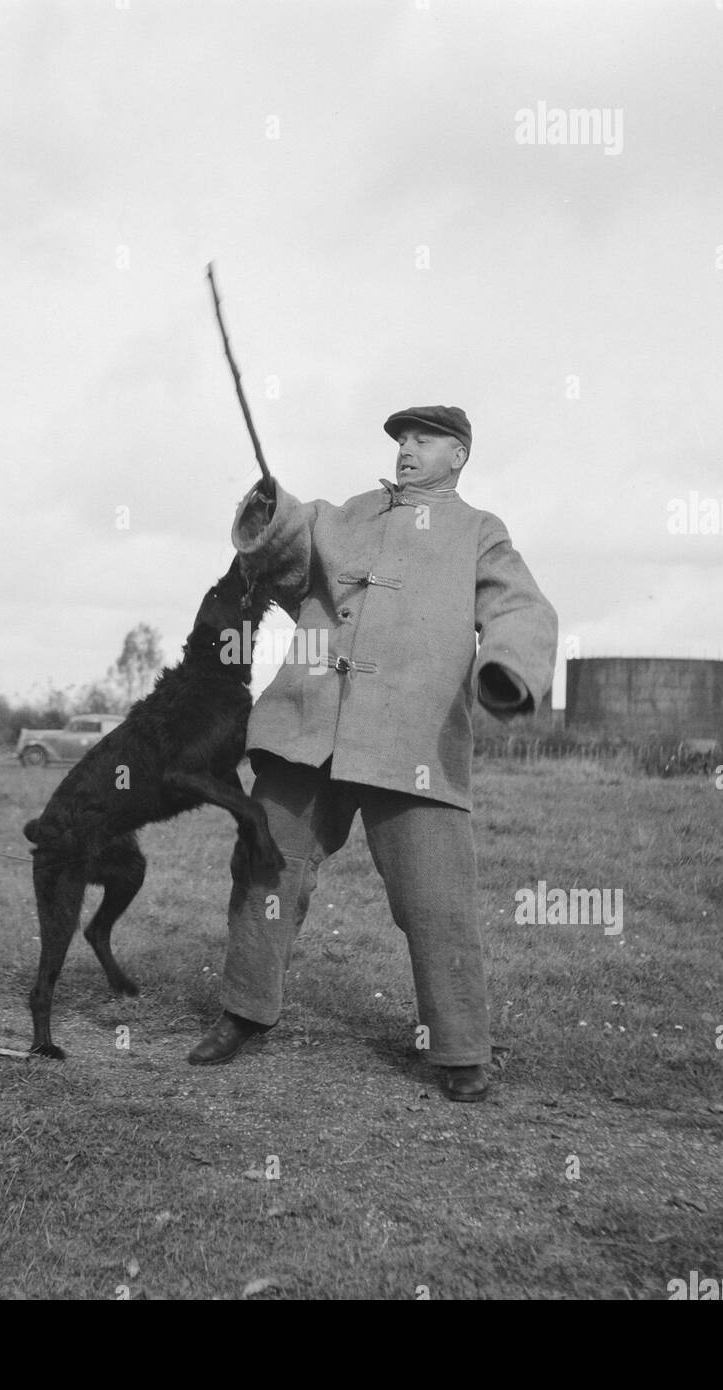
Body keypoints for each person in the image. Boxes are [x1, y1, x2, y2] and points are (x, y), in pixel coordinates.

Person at [188, 406, 558, 1103]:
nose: (408, 450)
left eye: (424, 440)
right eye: (401, 440)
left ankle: (459, 1051)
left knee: (435, 900)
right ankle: (242, 1013)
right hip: (307, 729)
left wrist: (507, 667)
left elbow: (523, 609)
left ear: (459, 455)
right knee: (265, 874)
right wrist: (270, 509)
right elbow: (284, 548)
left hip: (412, 743)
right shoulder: (343, 517)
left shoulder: (479, 533)